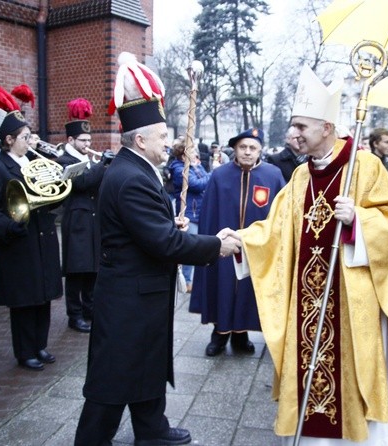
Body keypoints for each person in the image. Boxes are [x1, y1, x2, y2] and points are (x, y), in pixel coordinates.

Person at [235, 65, 388, 444]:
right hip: (310, 304)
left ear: (326, 128)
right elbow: (275, 229)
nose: (293, 134)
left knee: (353, 380)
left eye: (301, 127)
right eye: (292, 126)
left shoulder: (365, 167)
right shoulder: (301, 177)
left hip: (353, 303)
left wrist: (358, 220)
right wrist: (240, 240)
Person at [74, 52, 241, 446]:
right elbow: (163, 242)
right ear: (142, 139)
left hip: (139, 291)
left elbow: (151, 230)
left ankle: (152, 430)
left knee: (145, 363)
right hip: (128, 298)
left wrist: (169, 223)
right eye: (164, 137)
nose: (170, 143)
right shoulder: (131, 177)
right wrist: (216, 245)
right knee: (114, 377)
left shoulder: (134, 169)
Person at [0, 85, 62, 372]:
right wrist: (10, 226)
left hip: (43, 236)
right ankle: (24, 351)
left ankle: (40, 344)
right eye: (25, 138)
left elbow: (50, 193)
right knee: (25, 301)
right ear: (9, 139)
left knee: (44, 296)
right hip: (19, 242)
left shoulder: (35, 161)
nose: (30, 142)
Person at [190, 128, 285, 356]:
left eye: (253, 148)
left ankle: (241, 334)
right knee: (221, 285)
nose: (248, 152)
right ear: (235, 149)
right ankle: (220, 334)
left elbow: (282, 214)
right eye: (243, 147)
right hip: (223, 247)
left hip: (254, 247)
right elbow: (209, 213)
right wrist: (209, 244)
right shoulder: (220, 175)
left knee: (248, 289)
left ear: (260, 150)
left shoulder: (273, 175)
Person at [55, 98, 108, 334]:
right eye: (83, 140)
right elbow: (83, 183)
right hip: (76, 221)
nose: (88, 144)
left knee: (92, 269)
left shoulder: (88, 160)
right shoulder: (64, 161)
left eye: (89, 140)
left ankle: (90, 309)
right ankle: (73, 315)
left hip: (93, 221)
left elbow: (97, 185)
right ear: (70, 140)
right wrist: (101, 166)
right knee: (76, 270)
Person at [168, 139, 210, 293]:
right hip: (189, 211)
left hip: (199, 209)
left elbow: (203, 178)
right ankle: (186, 281)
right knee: (190, 247)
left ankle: (191, 279)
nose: (195, 153)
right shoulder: (180, 169)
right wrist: (213, 173)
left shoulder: (194, 166)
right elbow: (197, 185)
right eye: (192, 151)